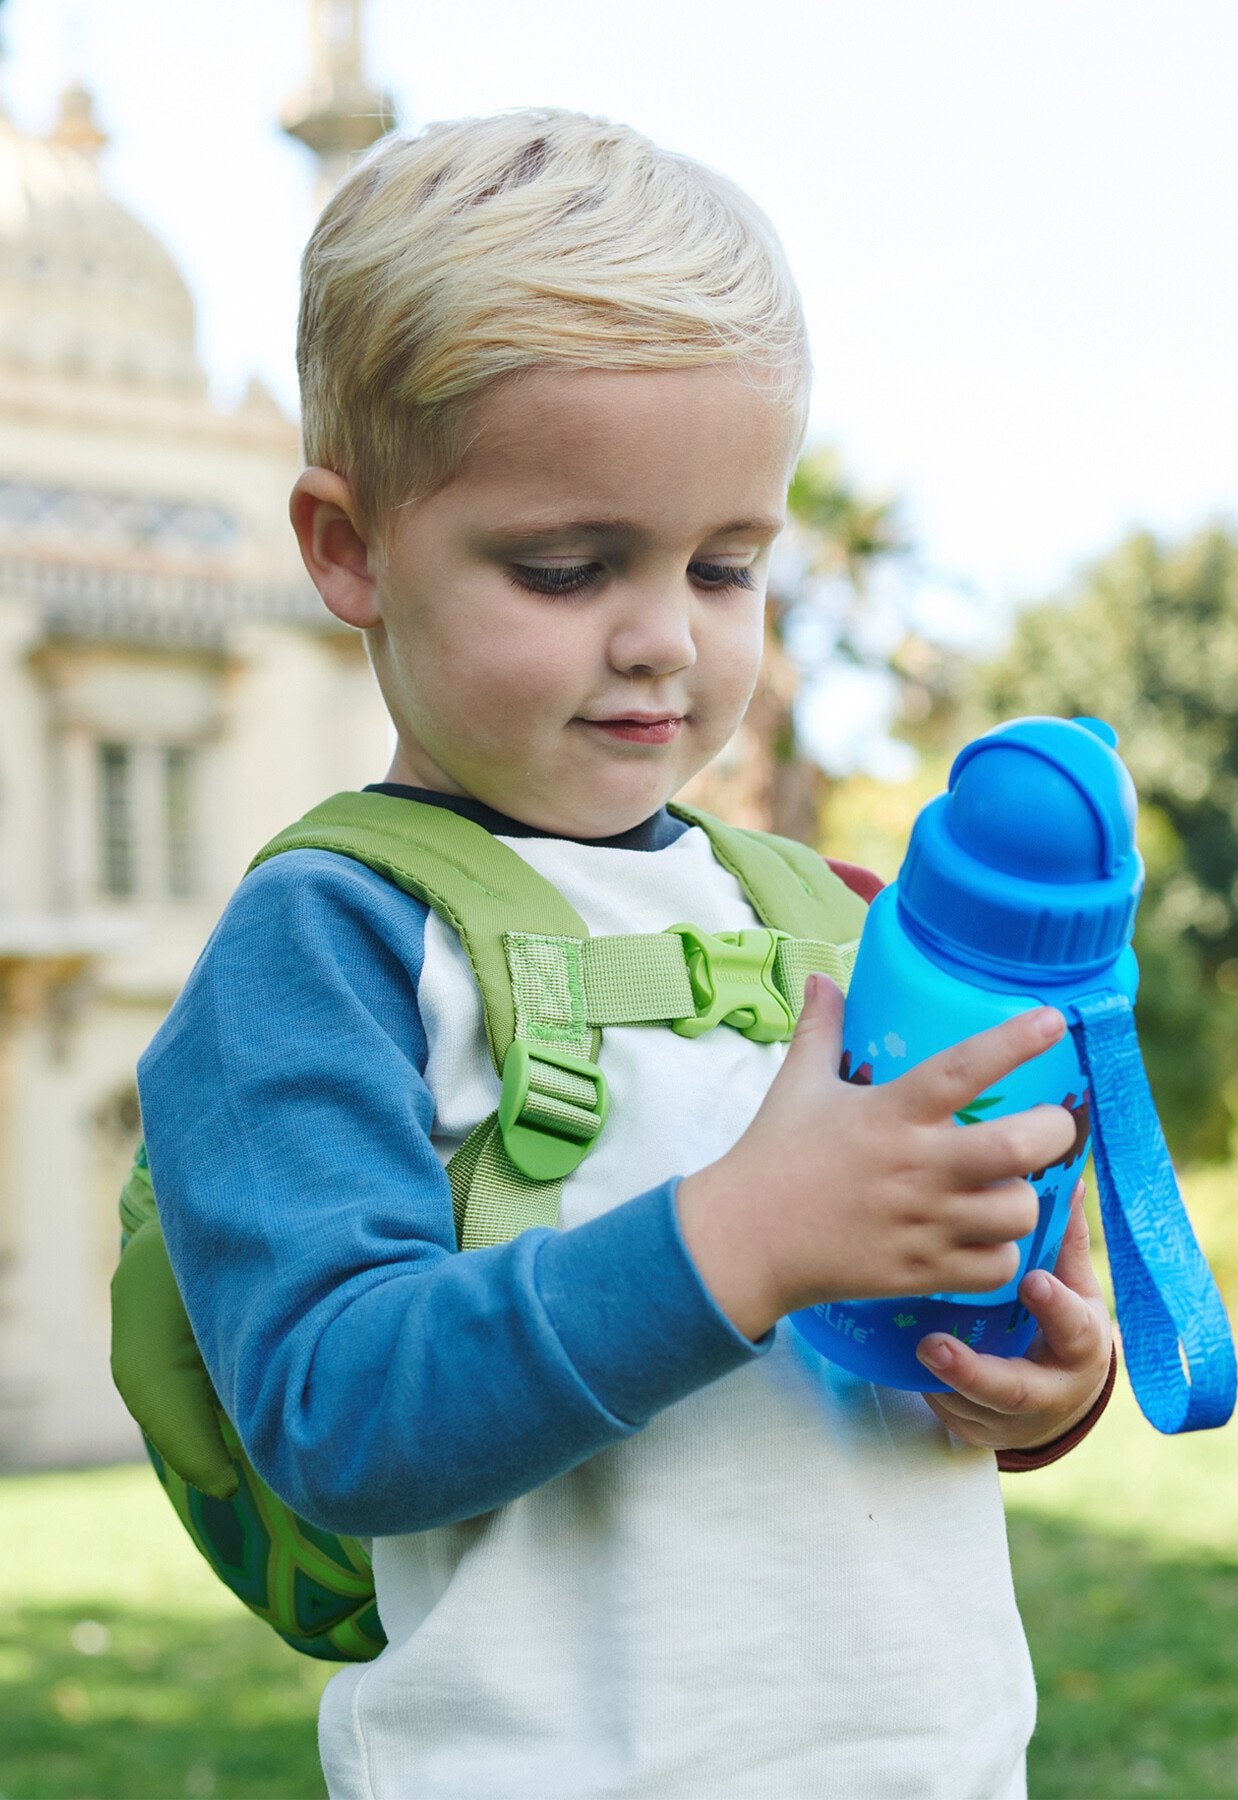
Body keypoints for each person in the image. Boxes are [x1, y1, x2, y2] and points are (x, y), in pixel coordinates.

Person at [137, 109, 1114, 1800]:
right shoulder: (329, 945)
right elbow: (335, 1411)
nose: (664, 634)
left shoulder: (821, 914)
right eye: (566, 565)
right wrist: (741, 1238)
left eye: (726, 564)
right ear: (347, 548)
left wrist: (1041, 1375)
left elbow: (932, 1366)